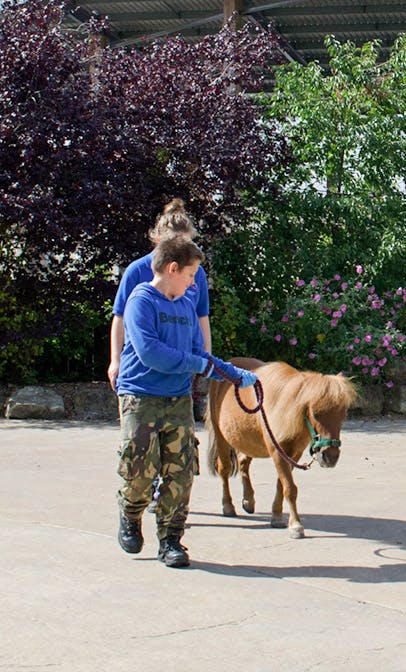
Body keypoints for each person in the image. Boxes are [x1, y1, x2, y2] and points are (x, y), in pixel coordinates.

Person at [116, 235, 259, 568]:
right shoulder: (142, 301)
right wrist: (199, 365)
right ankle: (130, 511)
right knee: (140, 470)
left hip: (177, 398)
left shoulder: (183, 304)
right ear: (172, 268)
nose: (195, 282)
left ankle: (171, 540)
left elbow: (198, 352)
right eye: (191, 275)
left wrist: (232, 373)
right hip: (141, 397)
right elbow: (153, 354)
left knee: (180, 472)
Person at [110, 199, 211, 421]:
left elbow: (201, 315)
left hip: (179, 379)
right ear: (159, 241)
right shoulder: (137, 271)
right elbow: (120, 317)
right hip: (142, 379)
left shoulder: (196, 273)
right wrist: (115, 360)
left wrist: (206, 358)